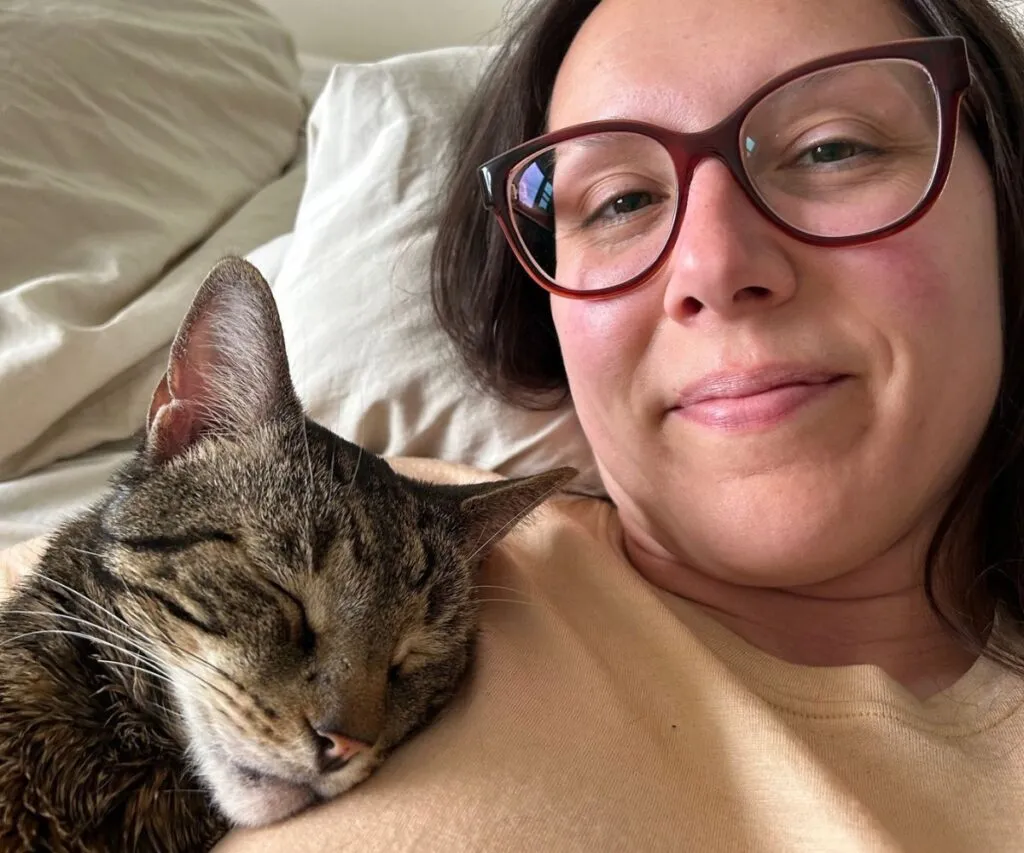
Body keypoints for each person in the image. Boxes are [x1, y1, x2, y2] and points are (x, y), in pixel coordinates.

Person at [10, 0, 1024, 849]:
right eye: (621, 199)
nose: (714, 266)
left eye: (831, 147)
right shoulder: (406, 529)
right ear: (552, 312)